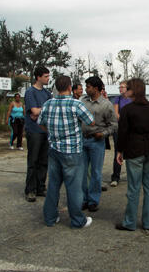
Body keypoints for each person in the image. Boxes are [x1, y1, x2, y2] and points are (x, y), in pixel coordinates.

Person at [38, 75, 95, 228]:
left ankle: (50, 218)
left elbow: (41, 123)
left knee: (53, 185)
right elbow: (91, 121)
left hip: (54, 149)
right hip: (72, 151)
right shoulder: (76, 104)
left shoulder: (48, 104)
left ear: (56, 87)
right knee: (74, 188)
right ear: (70, 87)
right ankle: (77, 220)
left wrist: (52, 132)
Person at [115, 78, 149, 231]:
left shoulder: (127, 110)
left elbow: (122, 133)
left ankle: (130, 222)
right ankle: (148, 222)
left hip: (134, 151)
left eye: (127, 89)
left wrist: (120, 151)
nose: (125, 91)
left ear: (133, 91)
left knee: (133, 188)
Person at [81, 76, 117, 212]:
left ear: (96, 88)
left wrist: (103, 134)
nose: (86, 89)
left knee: (96, 172)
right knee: (83, 172)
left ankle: (93, 200)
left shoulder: (106, 105)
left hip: (97, 142)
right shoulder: (82, 101)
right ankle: (83, 199)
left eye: (88, 86)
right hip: (82, 140)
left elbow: (114, 125)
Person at [24, 67, 52, 202]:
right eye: (46, 76)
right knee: (33, 161)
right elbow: (34, 111)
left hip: (45, 131)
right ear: (38, 77)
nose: (48, 78)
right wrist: (42, 110)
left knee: (44, 161)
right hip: (34, 131)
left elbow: (50, 108)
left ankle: (41, 187)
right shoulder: (30, 92)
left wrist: (39, 111)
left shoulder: (47, 93)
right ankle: (30, 189)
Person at [110, 81, 132, 187]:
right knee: (118, 152)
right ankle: (115, 177)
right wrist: (124, 123)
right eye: (120, 87)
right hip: (119, 129)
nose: (120, 88)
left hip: (131, 130)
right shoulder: (117, 99)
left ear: (127, 88)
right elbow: (116, 114)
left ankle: (133, 177)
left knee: (132, 153)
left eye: (122, 87)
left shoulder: (133, 99)